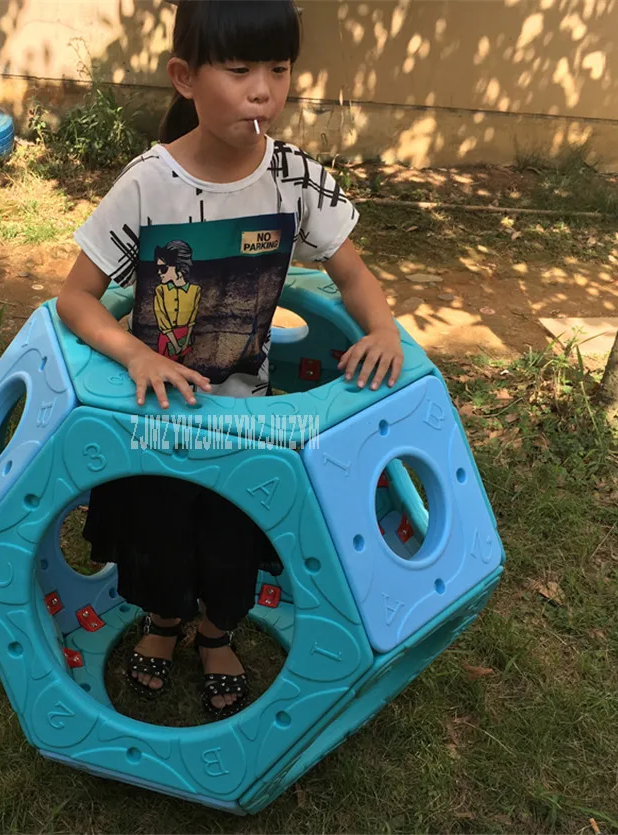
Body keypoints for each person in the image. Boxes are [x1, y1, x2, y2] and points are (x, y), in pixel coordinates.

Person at [56, 0, 403, 719]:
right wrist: (135, 355)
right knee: (158, 540)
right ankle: (163, 620)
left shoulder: (297, 178)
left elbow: (353, 273)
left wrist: (383, 329)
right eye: (240, 70)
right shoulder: (148, 183)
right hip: (155, 416)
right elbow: (76, 299)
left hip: (246, 419)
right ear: (185, 77)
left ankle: (216, 631)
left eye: (279, 69)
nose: (263, 91)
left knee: (231, 543)